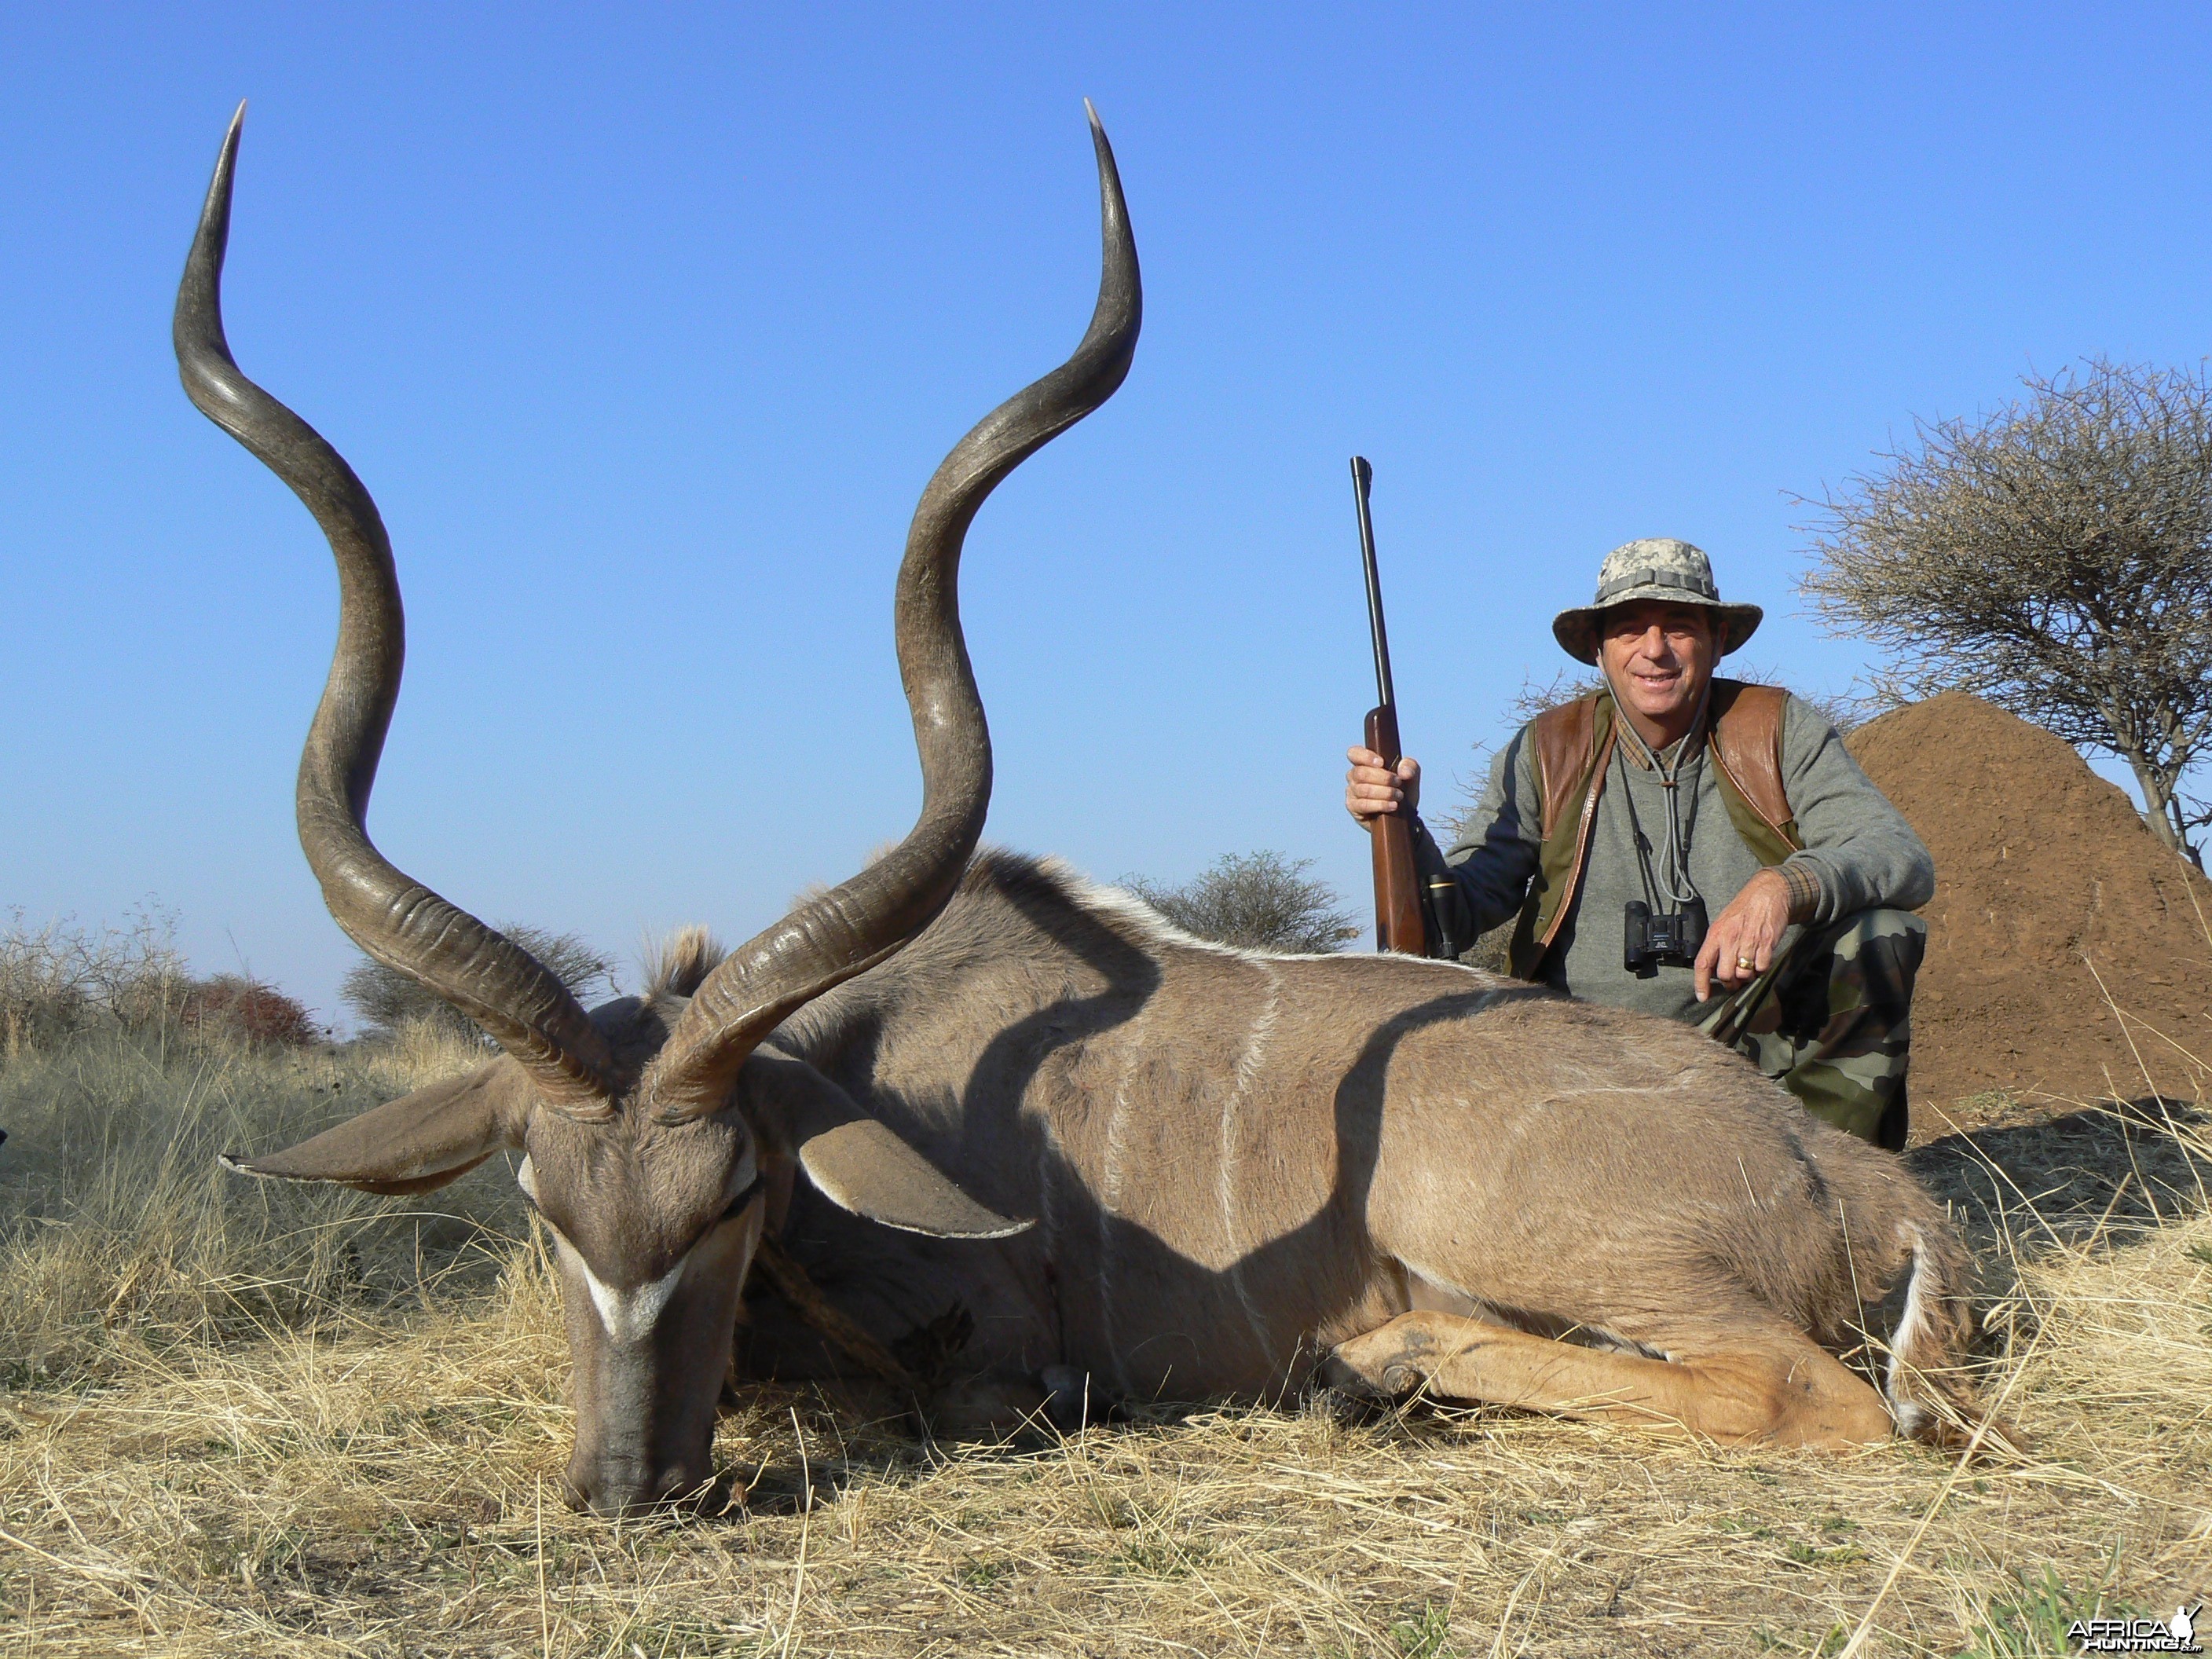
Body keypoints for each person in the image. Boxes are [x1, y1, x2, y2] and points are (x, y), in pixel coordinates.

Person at [1345, 537, 1933, 1148]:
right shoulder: (1543, 749)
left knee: (1880, 934)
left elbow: (1899, 855)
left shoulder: (1779, 728)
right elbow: (1458, 916)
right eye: (1629, 631)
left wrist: (1784, 885)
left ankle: (1832, 1190)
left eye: (1678, 627)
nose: (1654, 651)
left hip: (1744, 1039)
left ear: (1718, 640)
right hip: (1583, 1058)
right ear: (1599, 651)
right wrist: (1401, 830)